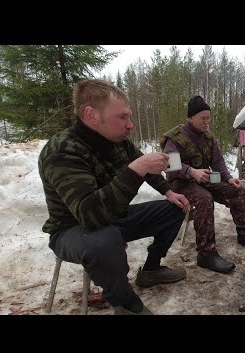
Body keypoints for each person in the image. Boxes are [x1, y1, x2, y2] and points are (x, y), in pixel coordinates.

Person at [38, 79, 190, 315]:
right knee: (104, 240)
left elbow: (147, 168)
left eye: (129, 117)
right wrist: (136, 168)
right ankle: (126, 304)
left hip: (112, 219)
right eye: (122, 117)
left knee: (174, 209)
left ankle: (150, 270)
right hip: (72, 229)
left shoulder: (118, 142)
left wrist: (168, 191)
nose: (130, 125)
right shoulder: (63, 150)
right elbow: (89, 215)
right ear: (91, 115)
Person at [160, 95, 245, 274]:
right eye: (202, 118)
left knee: (237, 190)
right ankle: (206, 253)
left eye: (208, 118)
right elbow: (170, 167)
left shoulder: (208, 137)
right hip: (181, 184)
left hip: (205, 179)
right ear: (190, 118)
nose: (206, 122)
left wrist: (228, 178)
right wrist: (191, 172)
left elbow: (218, 163)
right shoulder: (175, 138)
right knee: (204, 198)